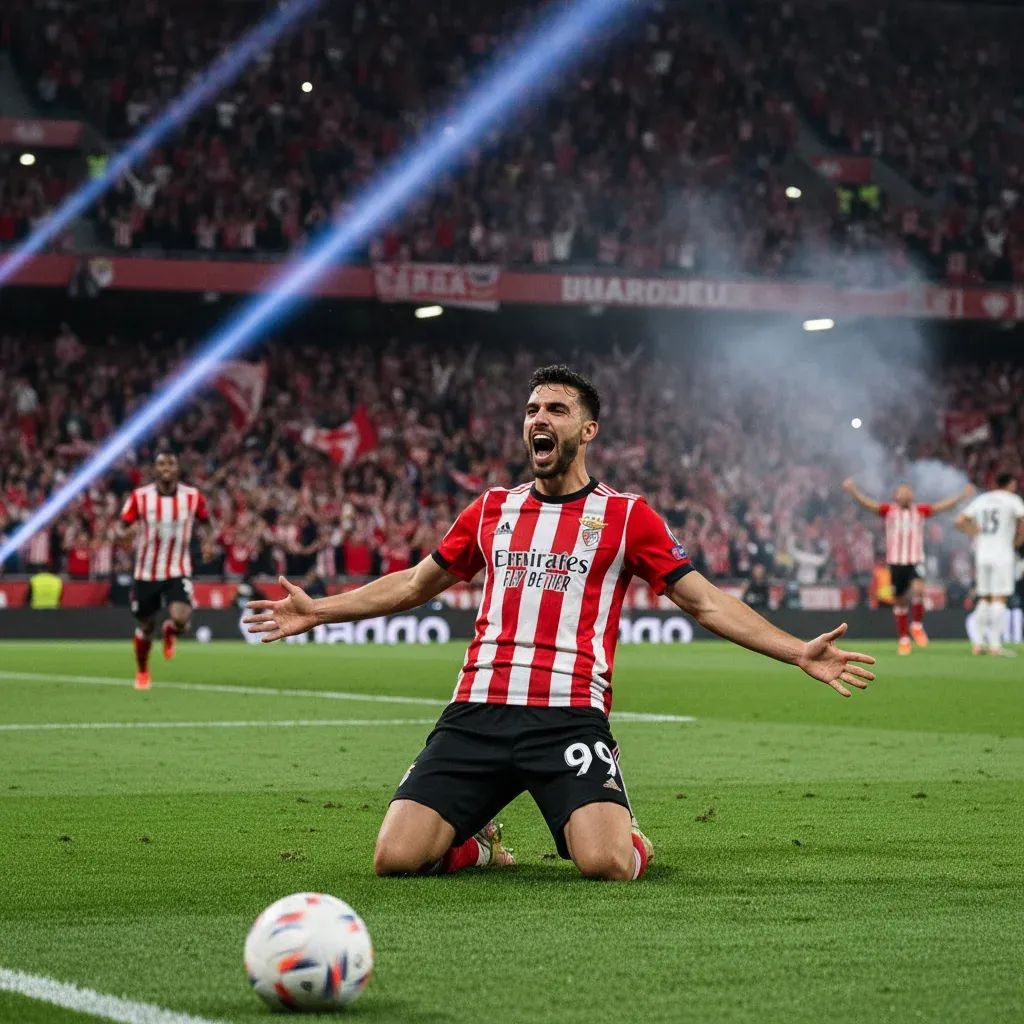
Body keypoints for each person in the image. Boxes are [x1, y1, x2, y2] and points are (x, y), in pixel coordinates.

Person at [246, 366, 875, 882]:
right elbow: (414, 583)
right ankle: (480, 844)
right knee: (395, 859)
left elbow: (705, 602)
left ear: (588, 429)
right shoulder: (492, 508)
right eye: (530, 410)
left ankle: (621, 829)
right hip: (478, 711)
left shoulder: (628, 517)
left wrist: (797, 651)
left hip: (569, 716)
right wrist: (318, 610)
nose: (538, 420)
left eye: (556, 409)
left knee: (606, 865)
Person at [118, 450, 215, 689]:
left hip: (178, 568)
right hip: (146, 571)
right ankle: (142, 670)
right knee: (146, 626)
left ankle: (171, 629)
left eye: (171, 463)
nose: (166, 468)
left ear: (178, 468)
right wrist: (125, 535)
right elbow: (122, 527)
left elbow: (206, 522)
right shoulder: (140, 497)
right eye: (161, 463)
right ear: (154, 469)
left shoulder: (192, 497)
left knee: (182, 617)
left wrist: (208, 542)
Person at [843, 478, 973, 654]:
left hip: (914, 561)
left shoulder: (919, 511)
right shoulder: (889, 511)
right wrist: (853, 491)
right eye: (901, 491)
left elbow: (942, 506)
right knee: (900, 601)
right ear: (896, 496)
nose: (905, 494)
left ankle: (917, 626)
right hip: (896, 562)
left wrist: (961, 496)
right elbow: (868, 504)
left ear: (912, 495)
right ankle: (904, 639)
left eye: (907, 491)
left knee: (919, 590)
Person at [954, 472, 1024, 657]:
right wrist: (1018, 541)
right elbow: (1022, 520)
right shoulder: (1012, 499)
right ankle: (994, 645)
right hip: (1002, 554)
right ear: (1009, 484)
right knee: (999, 598)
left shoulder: (983, 499)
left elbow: (959, 521)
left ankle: (977, 644)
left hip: (983, 554)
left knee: (984, 598)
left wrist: (973, 531)